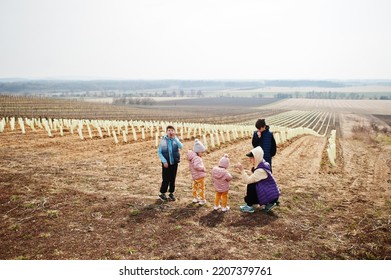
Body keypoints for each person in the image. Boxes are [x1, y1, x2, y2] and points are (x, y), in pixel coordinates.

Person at [235, 146, 280, 213]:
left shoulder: (261, 170)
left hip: (271, 195)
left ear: (256, 158)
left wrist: (242, 170)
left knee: (251, 185)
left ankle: (250, 206)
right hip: (271, 192)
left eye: (251, 158)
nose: (249, 159)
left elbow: (247, 180)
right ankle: (268, 202)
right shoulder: (262, 164)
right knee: (252, 187)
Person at [158, 125, 183, 201]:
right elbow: (160, 152)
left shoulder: (175, 139)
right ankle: (162, 193)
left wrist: (175, 139)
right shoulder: (163, 140)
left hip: (174, 163)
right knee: (166, 178)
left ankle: (171, 193)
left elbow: (181, 146)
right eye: (169, 130)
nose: (170, 132)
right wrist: (164, 161)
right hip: (166, 163)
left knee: (173, 178)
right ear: (166, 132)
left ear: (174, 132)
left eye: (172, 130)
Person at [187, 139, 207, 205]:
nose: (202, 153)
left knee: (195, 187)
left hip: (195, 176)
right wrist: (203, 168)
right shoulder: (197, 158)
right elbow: (196, 166)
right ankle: (202, 200)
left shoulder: (192, 157)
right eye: (202, 152)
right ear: (198, 151)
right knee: (201, 188)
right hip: (199, 175)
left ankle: (195, 198)